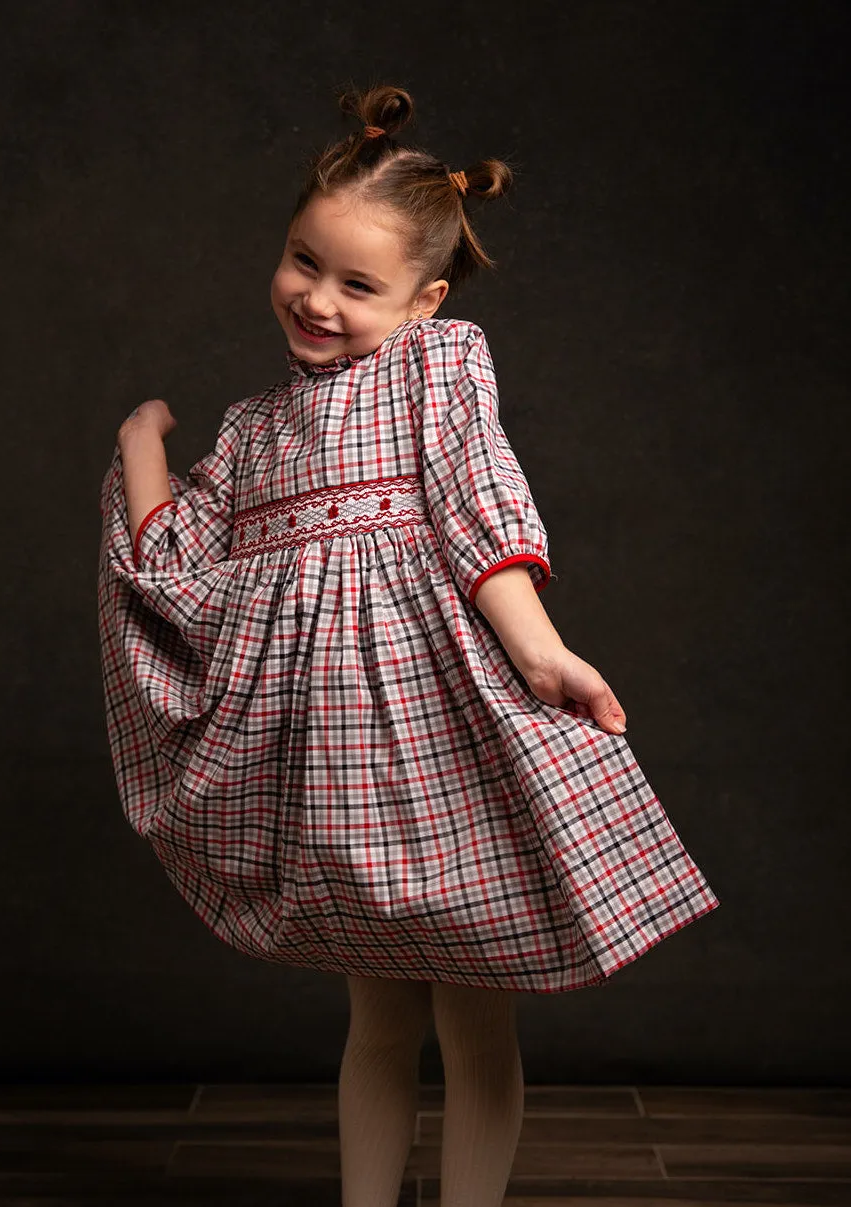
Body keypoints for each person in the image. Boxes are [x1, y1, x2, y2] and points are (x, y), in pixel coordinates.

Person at [97, 83, 719, 1207]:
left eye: (357, 284)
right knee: (377, 1015)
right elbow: (169, 562)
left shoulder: (437, 366)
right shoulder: (251, 430)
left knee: (473, 1017)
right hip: (331, 766)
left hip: (438, 735)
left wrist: (538, 651)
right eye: (302, 261)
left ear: (426, 301)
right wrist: (142, 436)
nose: (316, 299)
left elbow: (481, 501)